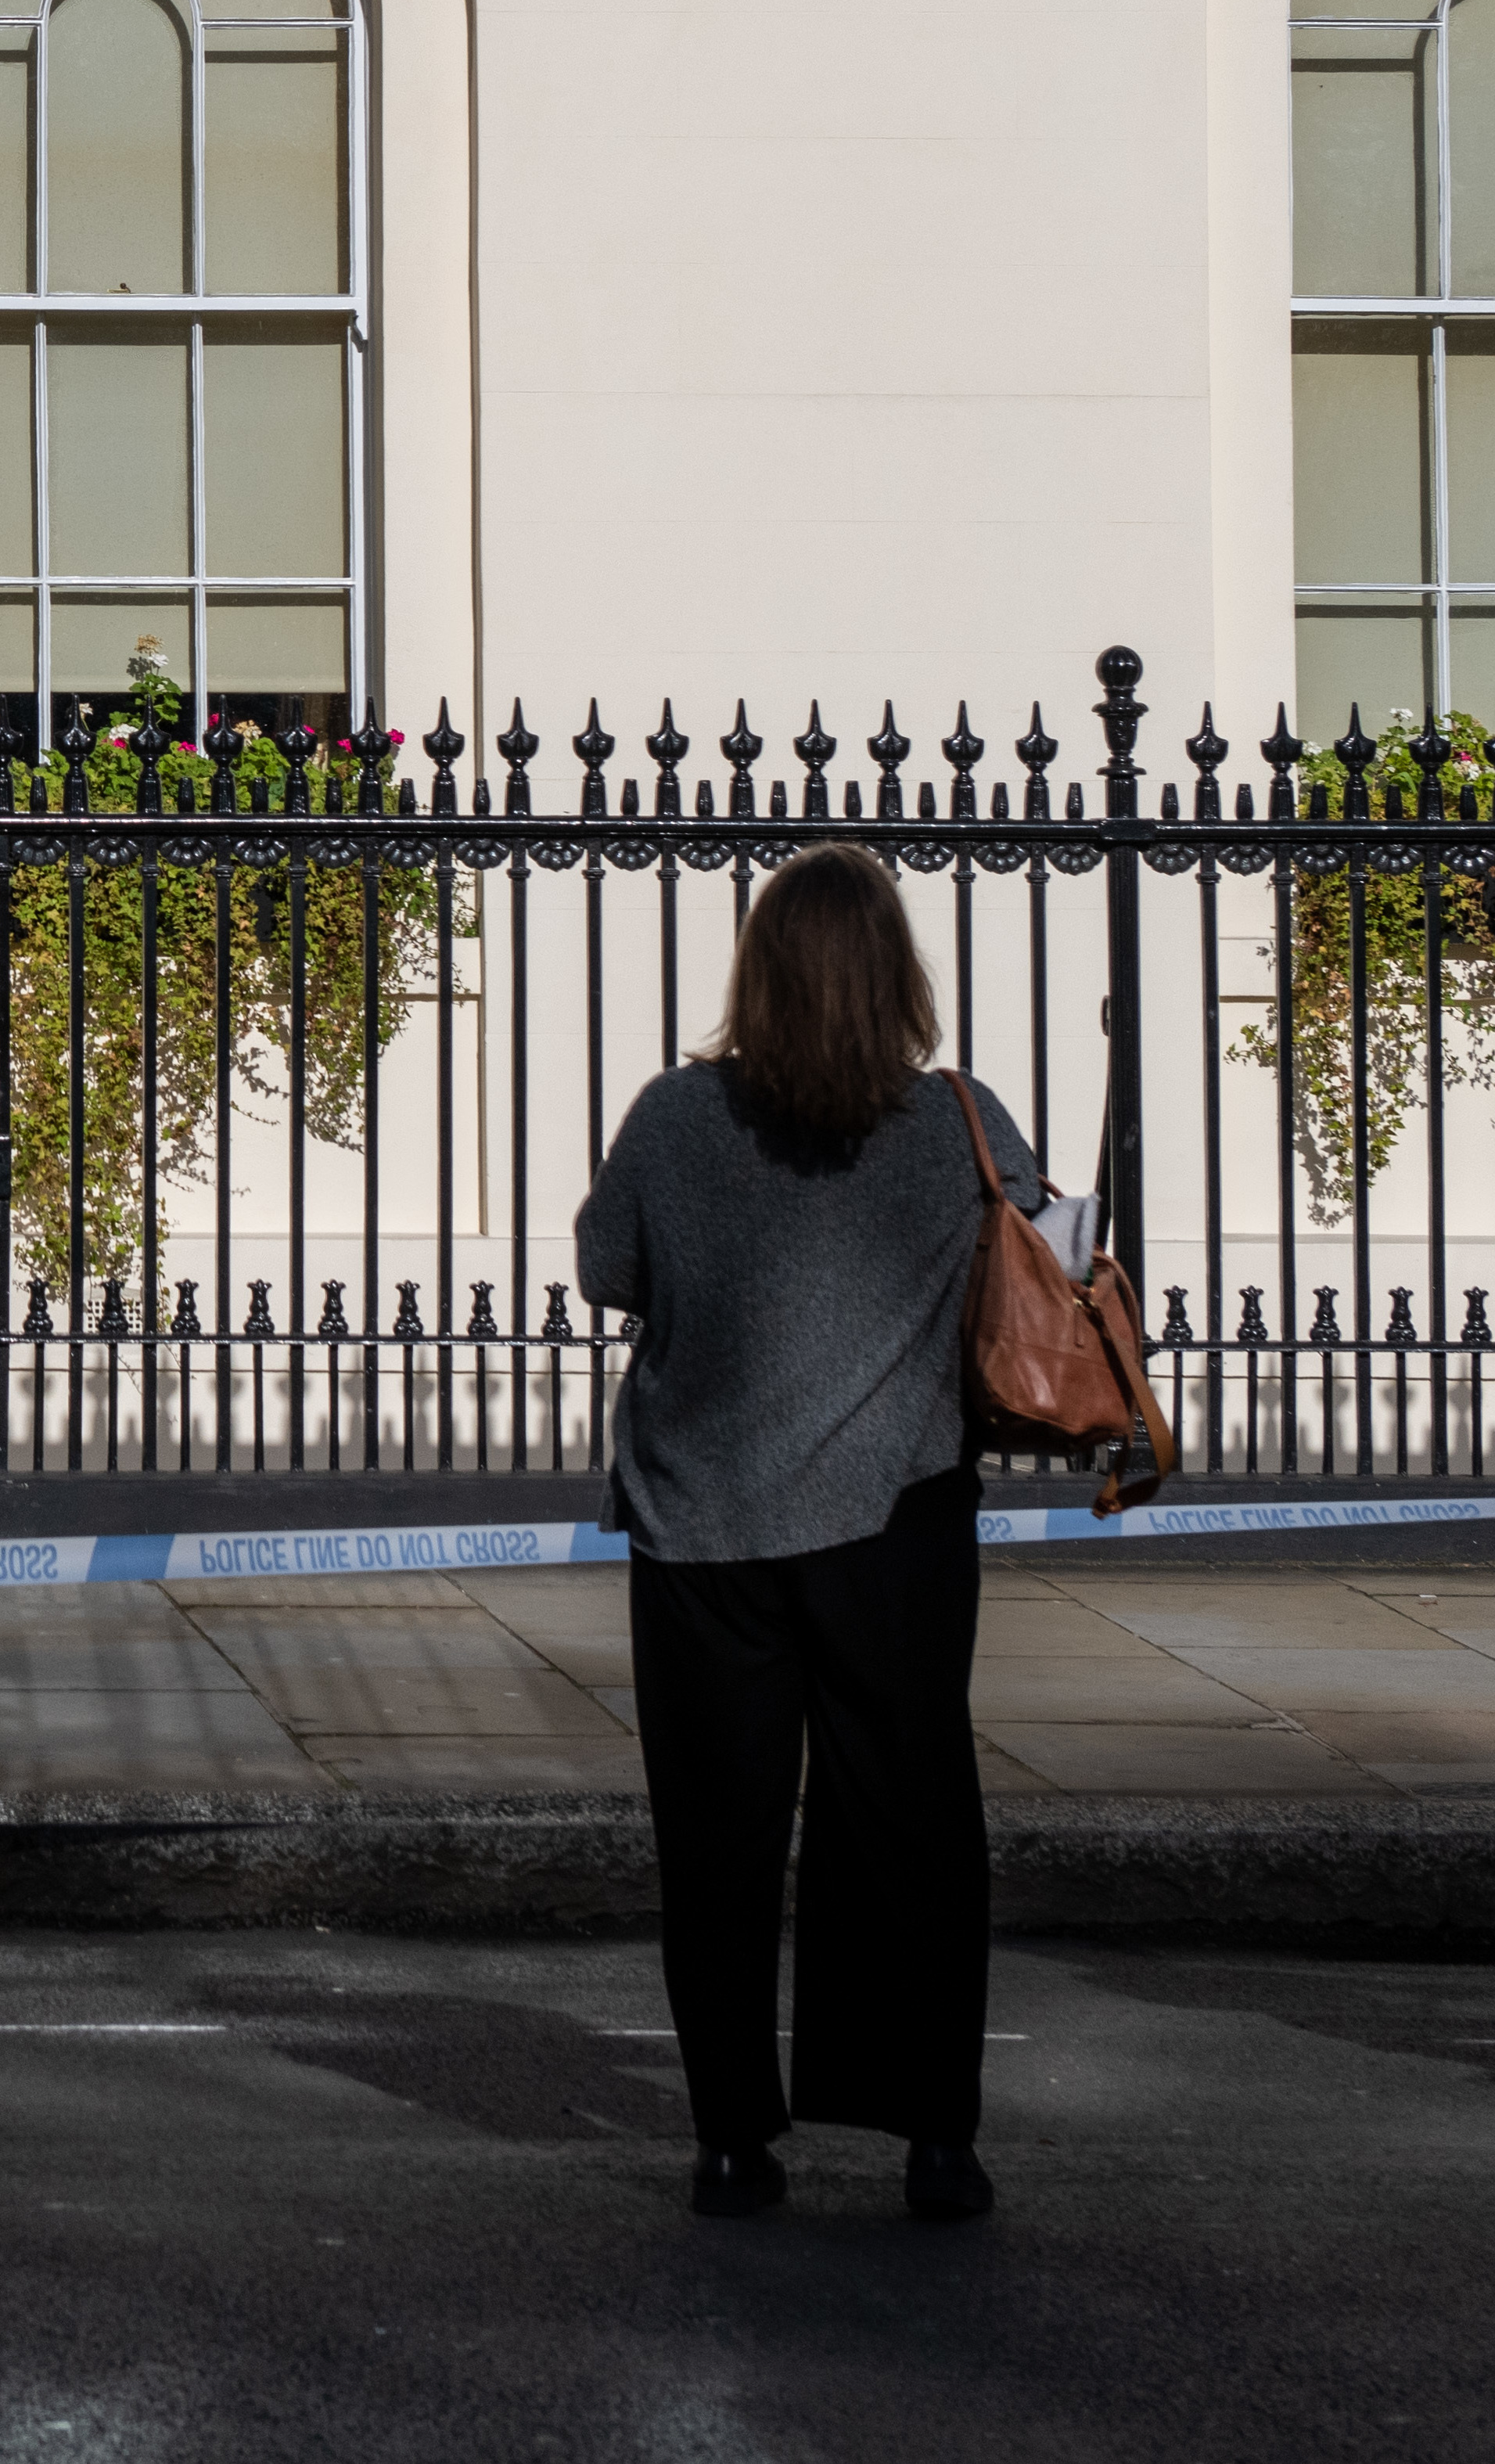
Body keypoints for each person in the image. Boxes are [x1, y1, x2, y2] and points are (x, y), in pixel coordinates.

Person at [579, 842, 1026, 2227]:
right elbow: (1042, 1253)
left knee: (715, 1838)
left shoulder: (672, 1115)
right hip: (895, 1522)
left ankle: (731, 2141)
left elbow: (610, 1270)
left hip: (705, 1524)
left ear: (757, 972)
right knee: (912, 1823)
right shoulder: (961, 1119)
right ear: (898, 974)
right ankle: (932, 2137)